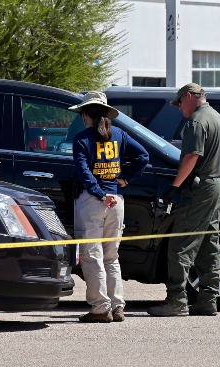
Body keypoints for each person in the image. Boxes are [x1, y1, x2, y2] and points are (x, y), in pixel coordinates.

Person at [147, 83, 220, 317]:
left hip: (200, 186)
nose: (180, 108)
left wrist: (174, 187)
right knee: (208, 245)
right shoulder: (219, 120)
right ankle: (207, 300)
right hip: (215, 185)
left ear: (189, 97)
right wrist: (217, 186)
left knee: (180, 244)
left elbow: (192, 155)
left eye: (180, 103)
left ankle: (176, 300)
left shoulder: (196, 121)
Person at [69, 91, 149, 323]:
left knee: (91, 256)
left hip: (92, 202)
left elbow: (84, 173)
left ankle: (100, 308)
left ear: (85, 114)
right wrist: (123, 180)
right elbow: (143, 156)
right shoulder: (120, 135)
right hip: (117, 201)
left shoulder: (82, 139)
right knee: (111, 257)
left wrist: (100, 194)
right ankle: (117, 307)